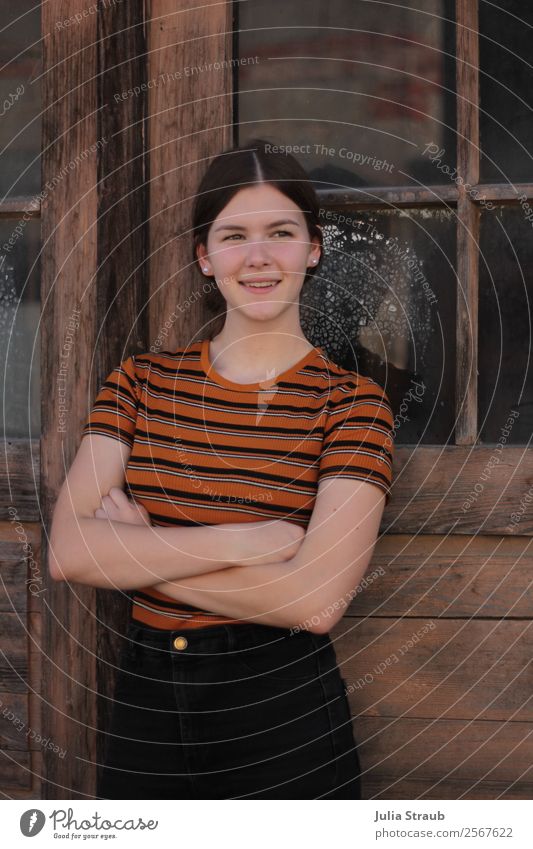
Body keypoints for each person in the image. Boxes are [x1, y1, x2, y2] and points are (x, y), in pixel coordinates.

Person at [48, 138, 395, 799]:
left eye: (281, 233)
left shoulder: (350, 403)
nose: (258, 256)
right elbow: (68, 552)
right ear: (204, 256)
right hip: (145, 698)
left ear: (313, 248)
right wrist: (243, 542)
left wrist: (137, 554)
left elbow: (316, 602)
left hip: (280, 699)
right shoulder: (140, 382)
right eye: (233, 235)